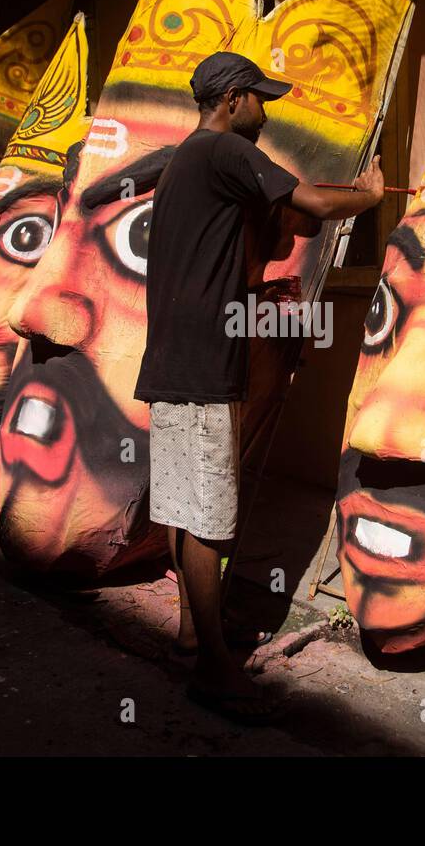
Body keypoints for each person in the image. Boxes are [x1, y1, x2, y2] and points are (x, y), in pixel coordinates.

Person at [133, 50, 384, 724]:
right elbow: (313, 201)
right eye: (262, 100)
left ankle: (193, 636)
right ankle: (215, 670)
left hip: (174, 362)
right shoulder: (224, 152)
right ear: (236, 98)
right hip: (206, 364)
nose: (266, 113)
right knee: (211, 517)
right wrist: (370, 193)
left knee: (187, 512)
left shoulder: (186, 160)